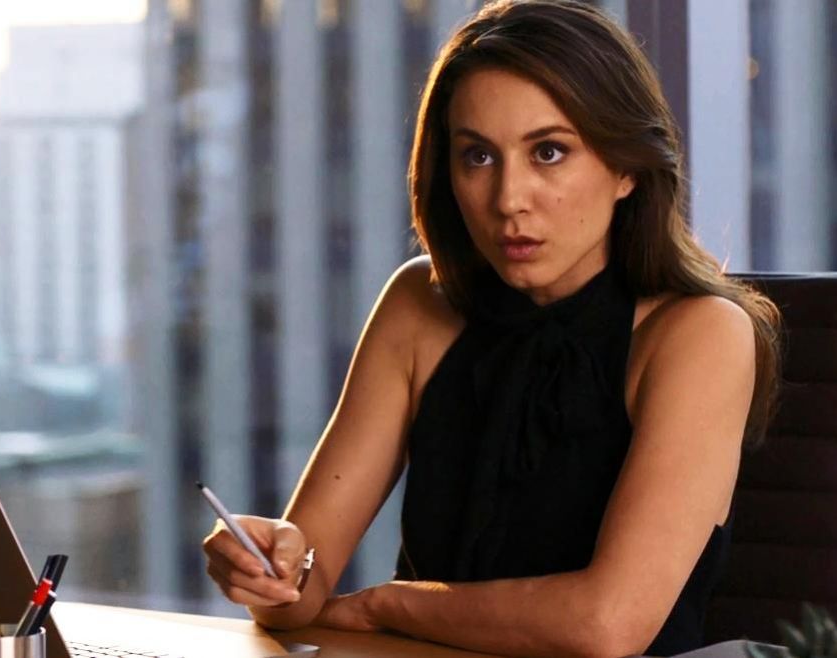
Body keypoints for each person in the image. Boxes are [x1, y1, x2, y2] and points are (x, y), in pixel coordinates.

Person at [202, 1, 781, 656]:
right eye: (477, 156)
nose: (508, 199)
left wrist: (387, 604)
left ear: (626, 168)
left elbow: (605, 626)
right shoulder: (417, 304)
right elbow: (300, 596)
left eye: (549, 152)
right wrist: (267, 568)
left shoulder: (700, 334)